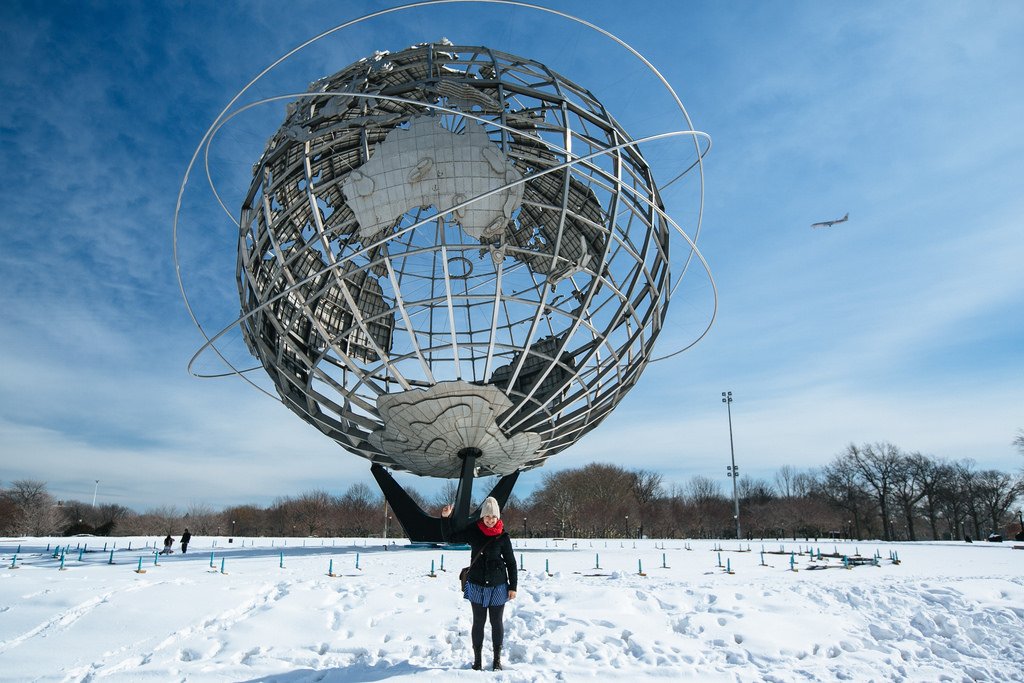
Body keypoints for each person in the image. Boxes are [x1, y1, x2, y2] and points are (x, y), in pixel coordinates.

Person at [441, 497, 517, 671]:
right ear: (482, 517)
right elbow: (451, 538)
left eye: (493, 517)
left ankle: (497, 660)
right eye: (487, 517)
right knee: (478, 621)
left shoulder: (503, 537)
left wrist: (513, 587)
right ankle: (477, 661)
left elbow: (511, 563)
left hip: (498, 586)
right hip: (476, 584)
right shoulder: (474, 531)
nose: (490, 520)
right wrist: (445, 518)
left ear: (498, 518)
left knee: (496, 622)